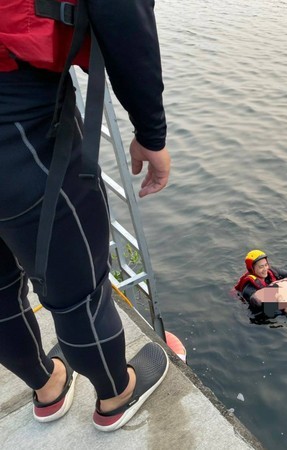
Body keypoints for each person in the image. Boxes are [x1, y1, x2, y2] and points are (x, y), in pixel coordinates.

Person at [0, 0, 170, 431]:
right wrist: (151, 131)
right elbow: (122, 14)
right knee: (77, 290)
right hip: (22, 121)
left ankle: (47, 385)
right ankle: (116, 395)